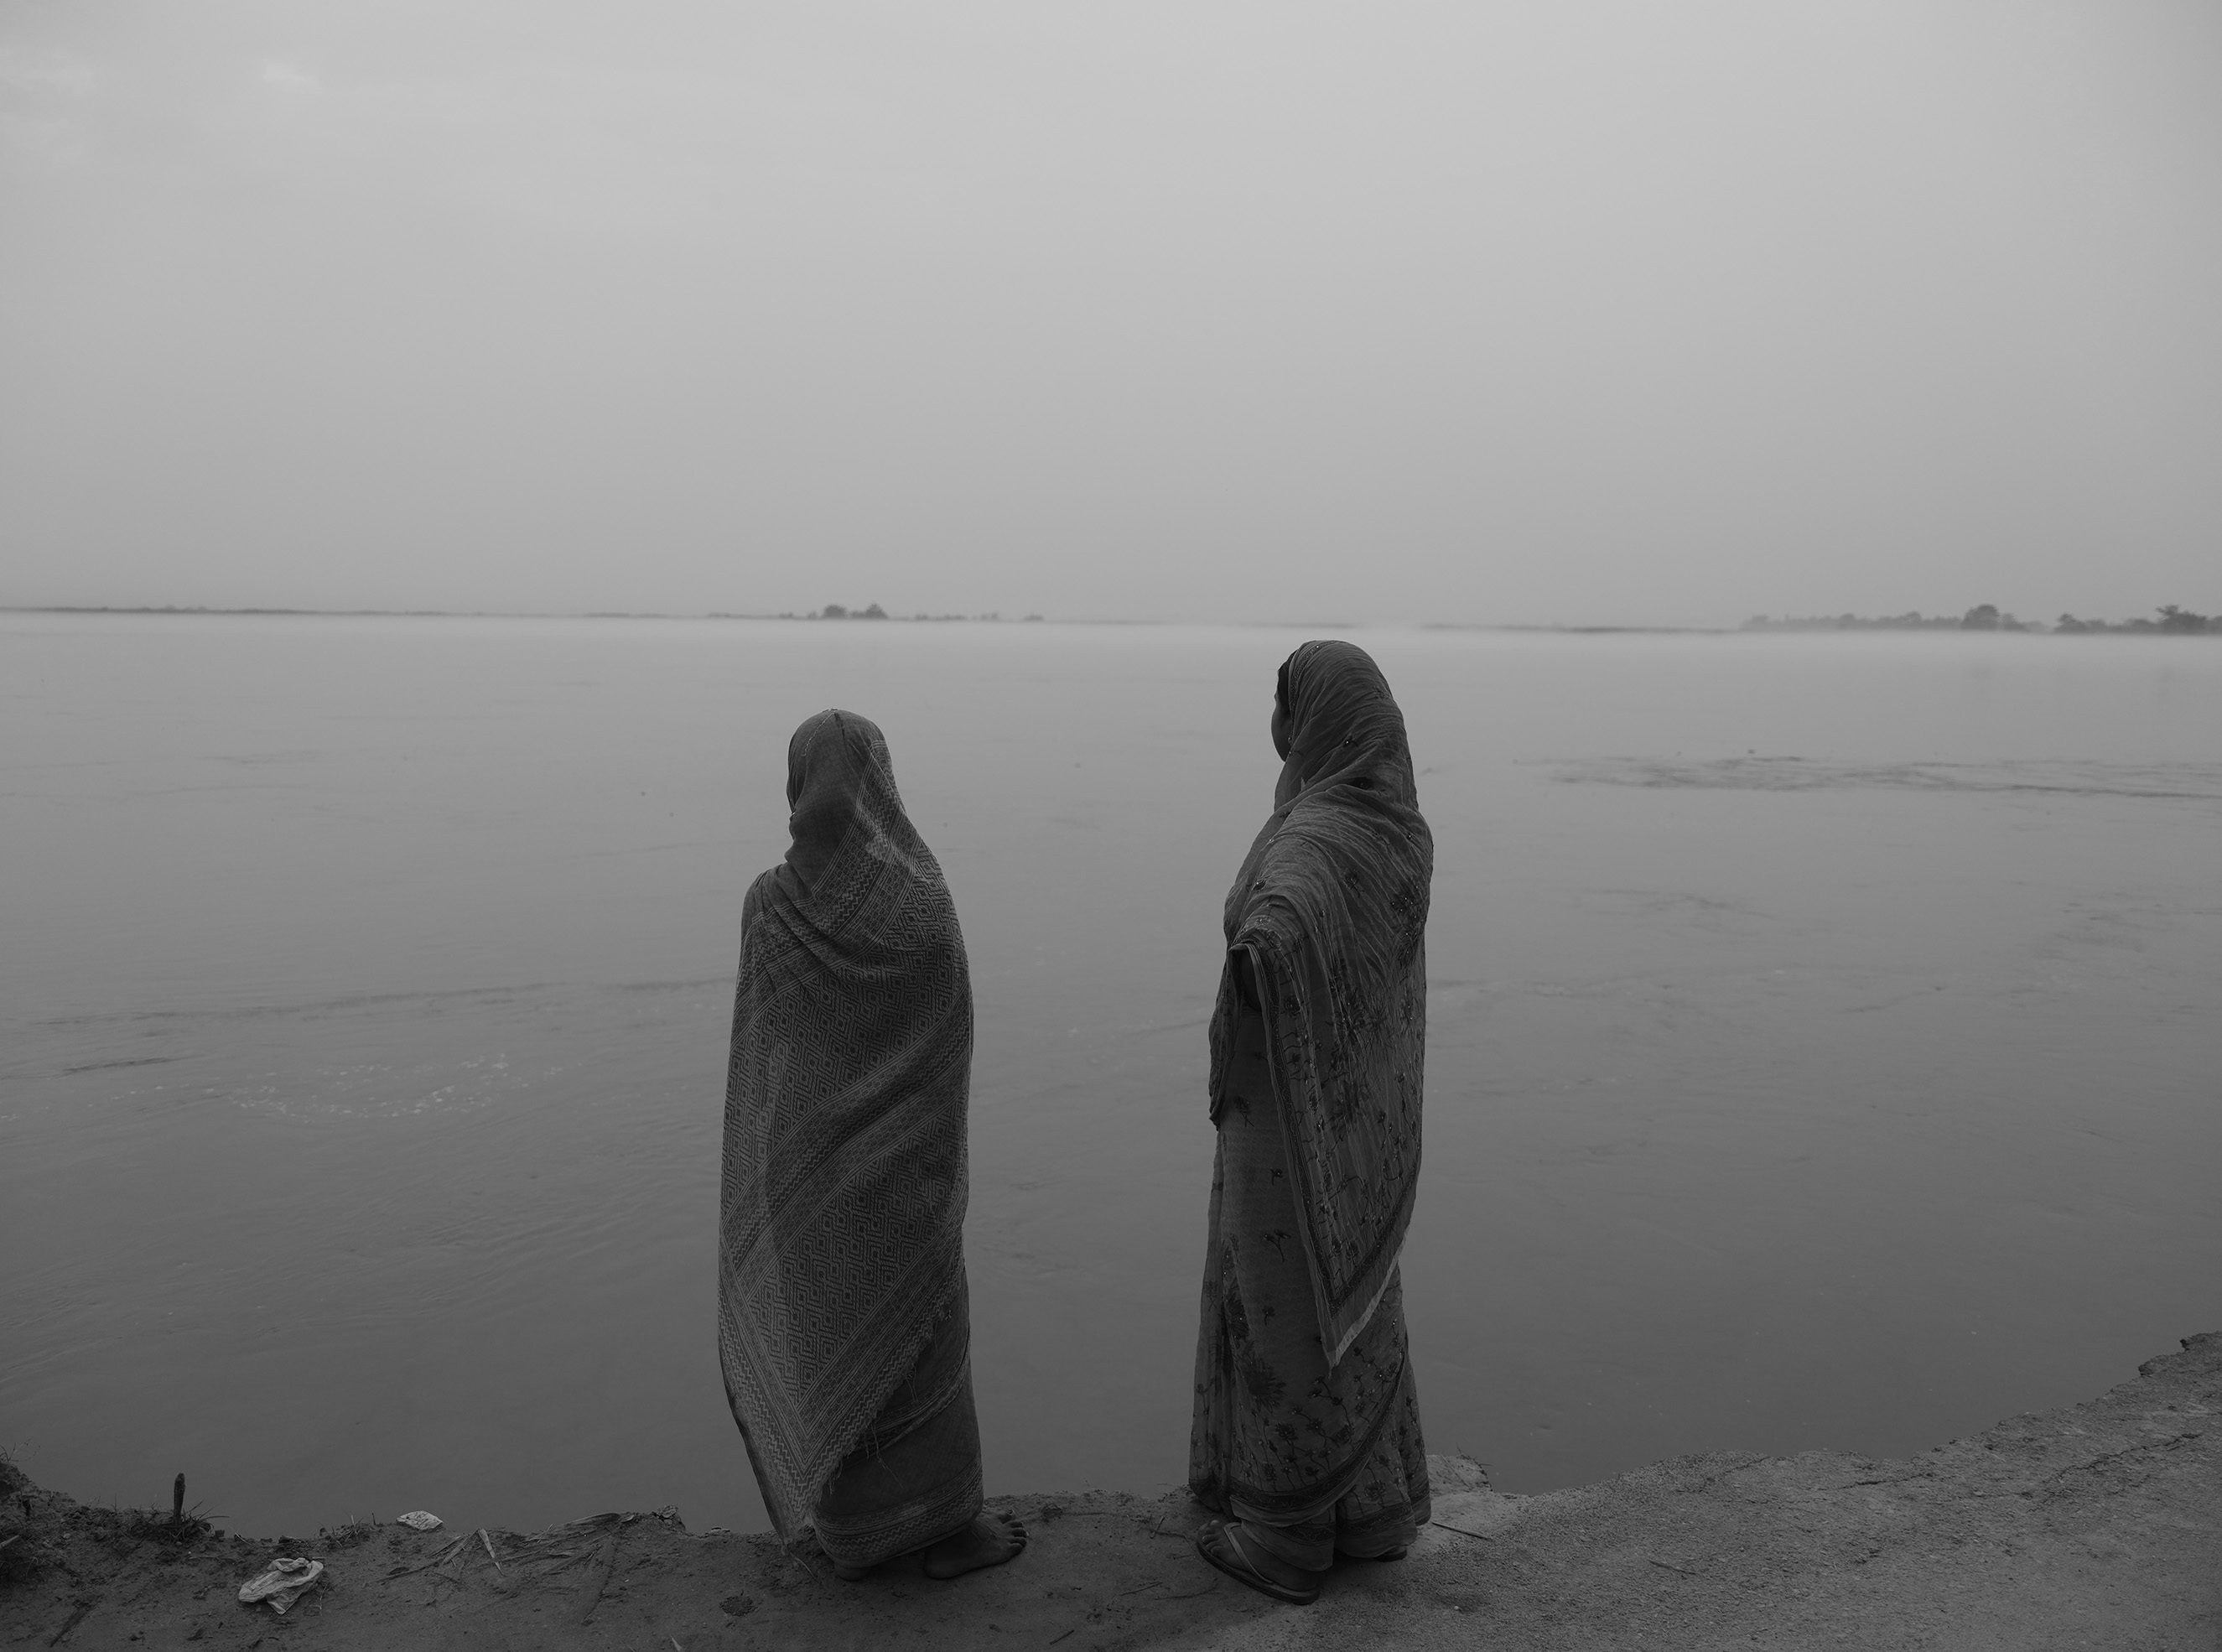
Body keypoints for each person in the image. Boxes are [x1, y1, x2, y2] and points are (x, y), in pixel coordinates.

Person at [718, 709, 1025, 1581]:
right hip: (907, 1164)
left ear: (798, 785)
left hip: (803, 1168)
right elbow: (951, 1031)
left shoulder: (769, 905)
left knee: (832, 1345)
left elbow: (766, 1046)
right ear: (881, 780)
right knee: (922, 1346)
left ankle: (851, 1528)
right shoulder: (922, 898)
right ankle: (940, 1526)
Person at [1188, 641, 1435, 1605]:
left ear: (1315, 716)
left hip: (1283, 1127)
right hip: (1362, 1121)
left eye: (1284, 701)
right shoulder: (1396, 826)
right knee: (1359, 1300)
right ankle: (1369, 1514)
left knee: (1283, 1307)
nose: (1276, 721)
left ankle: (1286, 1536)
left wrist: (1257, 950)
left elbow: (1280, 920)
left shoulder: (1319, 829)